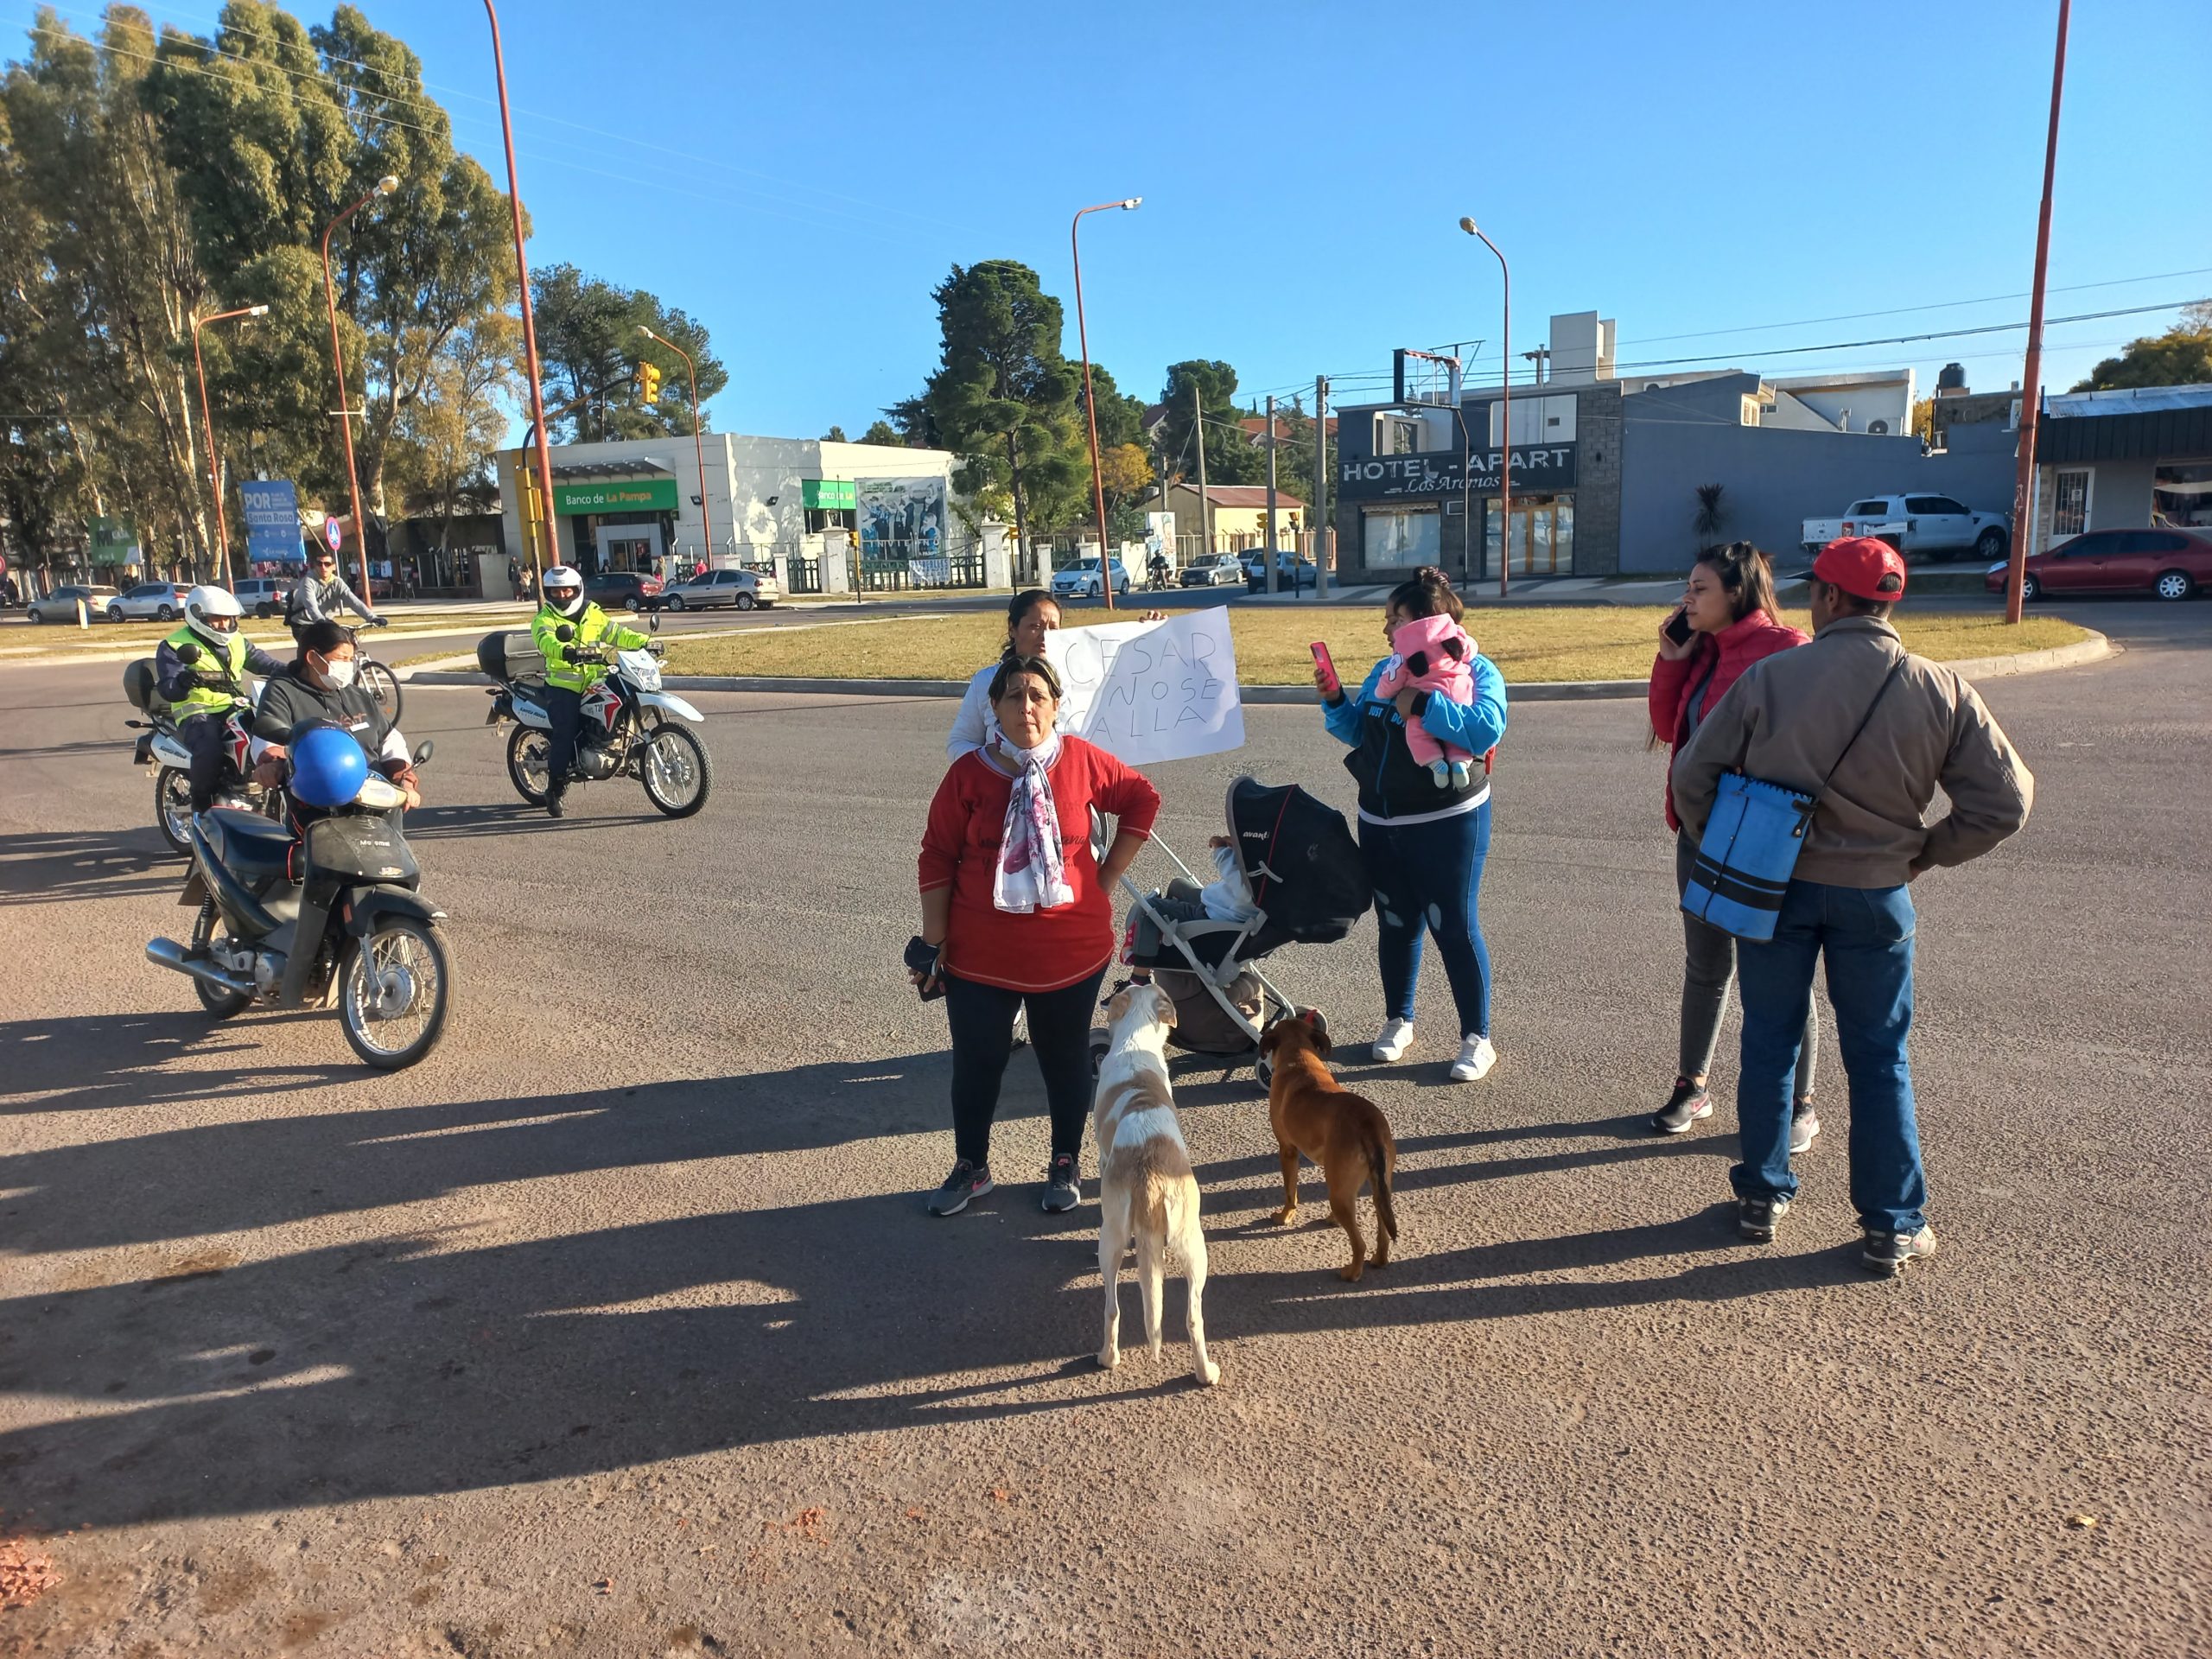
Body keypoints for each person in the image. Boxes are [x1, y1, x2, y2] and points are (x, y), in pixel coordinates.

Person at [1673, 537, 2033, 1274]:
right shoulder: (1941, 687)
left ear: (1833, 599)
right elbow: (2006, 802)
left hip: (1775, 891)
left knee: (1770, 1040)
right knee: (1878, 1057)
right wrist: (1926, 850)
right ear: (1888, 602)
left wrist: (1729, 847)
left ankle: (1760, 1195)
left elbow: (1692, 773)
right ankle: (1892, 1223)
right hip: (1878, 893)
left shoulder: (1774, 677)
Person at [914, 653, 1160, 1217]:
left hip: (1070, 953)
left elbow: (1143, 798)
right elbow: (936, 856)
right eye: (1013, 697)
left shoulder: (1081, 761)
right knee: (977, 1061)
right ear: (993, 708)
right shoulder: (969, 774)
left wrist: (1107, 877)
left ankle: (1065, 1160)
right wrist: (934, 942)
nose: (1026, 706)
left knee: (1064, 1059)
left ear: (1054, 707)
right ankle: (970, 1167)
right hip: (980, 956)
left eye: (1037, 697)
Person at [1645, 543, 1820, 1145]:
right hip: (1698, 834)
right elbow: (1670, 730)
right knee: (1706, 965)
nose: (1685, 600)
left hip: (1760, 839)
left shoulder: (1786, 650)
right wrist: (1671, 660)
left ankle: (1801, 1103)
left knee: (1776, 969)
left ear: (1736, 594)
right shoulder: (1702, 650)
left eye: (1699, 590)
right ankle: (1692, 1086)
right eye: (1687, 588)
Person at [1317, 566, 1508, 1083]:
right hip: (1379, 820)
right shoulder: (1387, 669)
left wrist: (1425, 703)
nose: (1386, 630)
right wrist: (1335, 698)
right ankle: (1399, 1019)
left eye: (1395, 618)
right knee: (1396, 923)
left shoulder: (1477, 668)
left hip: (1448, 820)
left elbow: (1487, 728)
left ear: (1427, 621)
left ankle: (1477, 1037)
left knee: (1453, 926)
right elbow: (1360, 731)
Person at [251, 618, 421, 814]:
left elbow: (389, 739)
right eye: (341, 659)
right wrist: (273, 764)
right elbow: (268, 739)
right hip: (318, 806)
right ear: (313, 658)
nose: (348, 666)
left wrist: (405, 779)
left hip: (377, 801)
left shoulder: (357, 695)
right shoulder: (283, 691)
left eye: (350, 659)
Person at [531, 564, 650, 819]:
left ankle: (623, 752)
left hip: (596, 677)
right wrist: (564, 651)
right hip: (564, 685)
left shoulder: (592, 613)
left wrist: (644, 642)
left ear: (578, 589)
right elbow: (545, 641)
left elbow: (616, 633)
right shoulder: (545, 619)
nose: (562, 596)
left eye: (567, 591)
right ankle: (555, 788)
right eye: (555, 592)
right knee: (566, 732)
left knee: (626, 701)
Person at [154, 586, 286, 814]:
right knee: (209, 748)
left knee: (274, 732)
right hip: (196, 711)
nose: (224, 625)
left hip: (235, 705)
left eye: (228, 619)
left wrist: (296, 671)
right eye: (217, 619)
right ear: (198, 615)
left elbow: (263, 662)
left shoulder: (236, 641)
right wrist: (184, 681)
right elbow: (168, 688)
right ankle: (201, 810)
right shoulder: (174, 645)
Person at [949, 590, 1064, 760]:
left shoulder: (1075, 680)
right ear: (1012, 629)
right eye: (1035, 626)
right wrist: (998, 766)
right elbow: (960, 743)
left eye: (1053, 628)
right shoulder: (986, 681)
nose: (1045, 635)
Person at [286, 550, 378, 634]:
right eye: (319, 564)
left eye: (327, 564)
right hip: (303, 624)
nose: (323, 567)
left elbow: (354, 602)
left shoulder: (337, 583)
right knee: (313, 649)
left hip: (325, 623)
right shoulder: (308, 581)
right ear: (315, 566)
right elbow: (311, 606)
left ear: (333, 567)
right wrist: (320, 620)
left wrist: (372, 618)